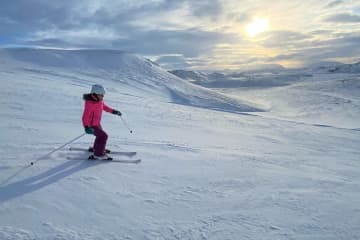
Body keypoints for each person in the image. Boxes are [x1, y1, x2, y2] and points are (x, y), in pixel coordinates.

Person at [82, 84, 122, 159]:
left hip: (97, 123)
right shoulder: (90, 103)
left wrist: (113, 111)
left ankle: (97, 149)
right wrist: (86, 127)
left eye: (103, 95)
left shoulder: (99, 101)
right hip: (91, 125)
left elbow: (105, 107)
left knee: (100, 136)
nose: (103, 97)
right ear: (95, 94)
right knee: (104, 136)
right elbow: (85, 116)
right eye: (101, 95)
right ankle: (99, 154)